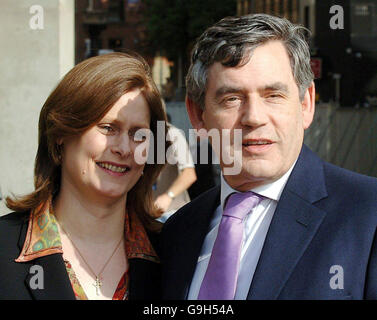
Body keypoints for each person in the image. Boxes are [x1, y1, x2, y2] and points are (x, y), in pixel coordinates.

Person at [160, 14, 377, 300]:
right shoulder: (178, 232)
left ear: (306, 103)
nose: (253, 117)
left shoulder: (368, 215)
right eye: (232, 99)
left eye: (273, 95)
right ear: (198, 115)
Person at [0, 52, 168, 300]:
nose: (123, 148)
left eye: (138, 134)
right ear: (61, 134)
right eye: (108, 128)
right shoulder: (4, 247)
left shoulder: (174, 254)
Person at [153, 114, 197, 222]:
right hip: (147, 214)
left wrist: (168, 196)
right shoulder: (139, 132)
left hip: (171, 214)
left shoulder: (173, 134)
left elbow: (189, 174)